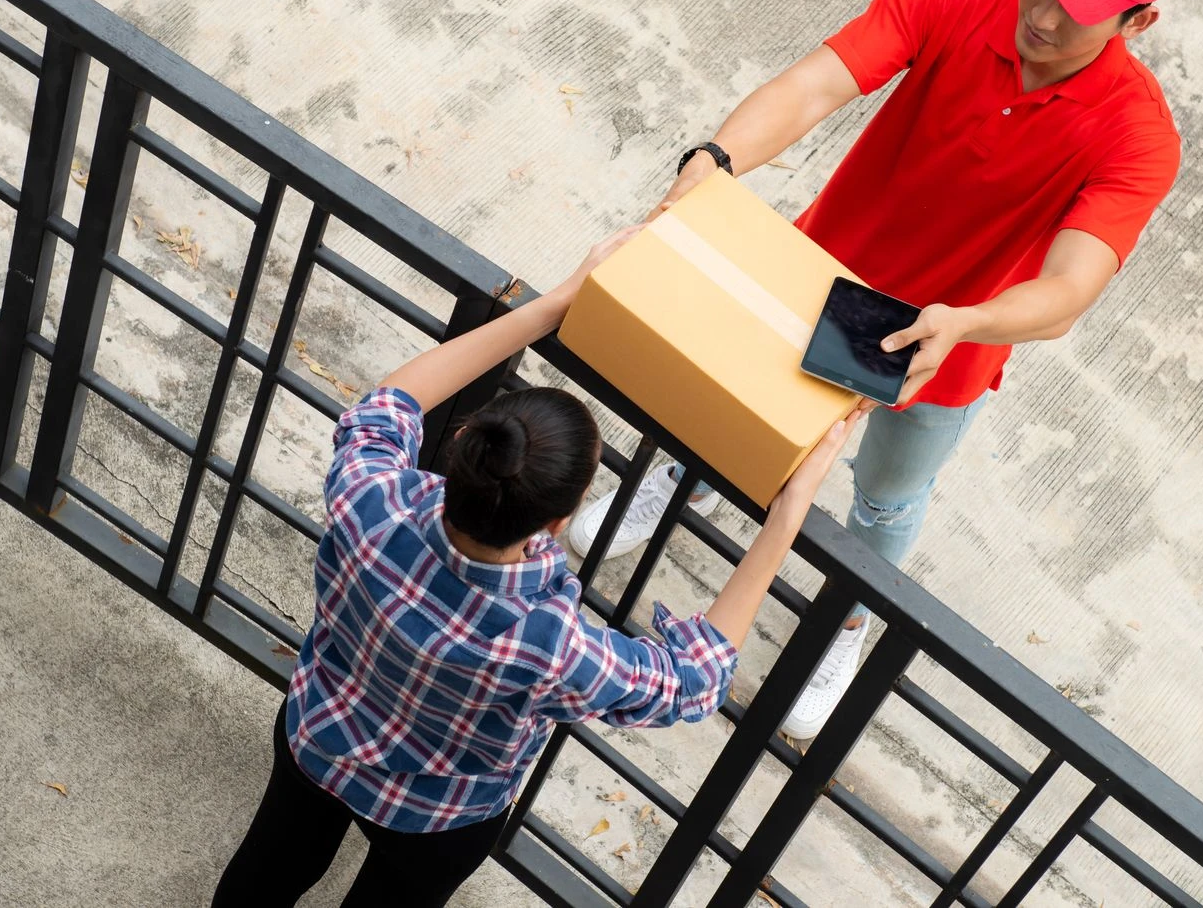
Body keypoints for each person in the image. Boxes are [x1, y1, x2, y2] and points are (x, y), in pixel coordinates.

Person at [568, 0, 1186, 741]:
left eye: (1078, 9)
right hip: (822, 274)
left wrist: (965, 323)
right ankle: (689, 480)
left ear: (1137, 23)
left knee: (888, 498)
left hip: (947, 345)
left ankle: (846, 623)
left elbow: (1069, 291)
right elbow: (818, 85)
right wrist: (717, 156)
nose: (1042, 16)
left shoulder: (1137, 135)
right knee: (735, 409)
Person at [212, 228, 863, 908]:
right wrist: (785, 516)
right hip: (443, 815)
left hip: (320, 739)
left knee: (267, 871)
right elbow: (692, 684)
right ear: (558, 522)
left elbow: (389, 404)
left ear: (466, 441)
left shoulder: (371, 501)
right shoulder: (551, 644)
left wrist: (551, 305)